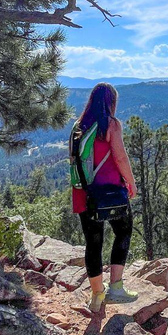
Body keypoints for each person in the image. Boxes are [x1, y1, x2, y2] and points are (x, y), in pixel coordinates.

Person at [71, 82, 139, 313]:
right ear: (111, 102)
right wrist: (131, 182)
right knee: (123, 230)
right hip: (109, 191)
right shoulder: (110, 124)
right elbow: (120, 158)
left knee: (93, 242)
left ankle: (97, 295)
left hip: (84, 193)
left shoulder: (79, 126)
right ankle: (116, 288)